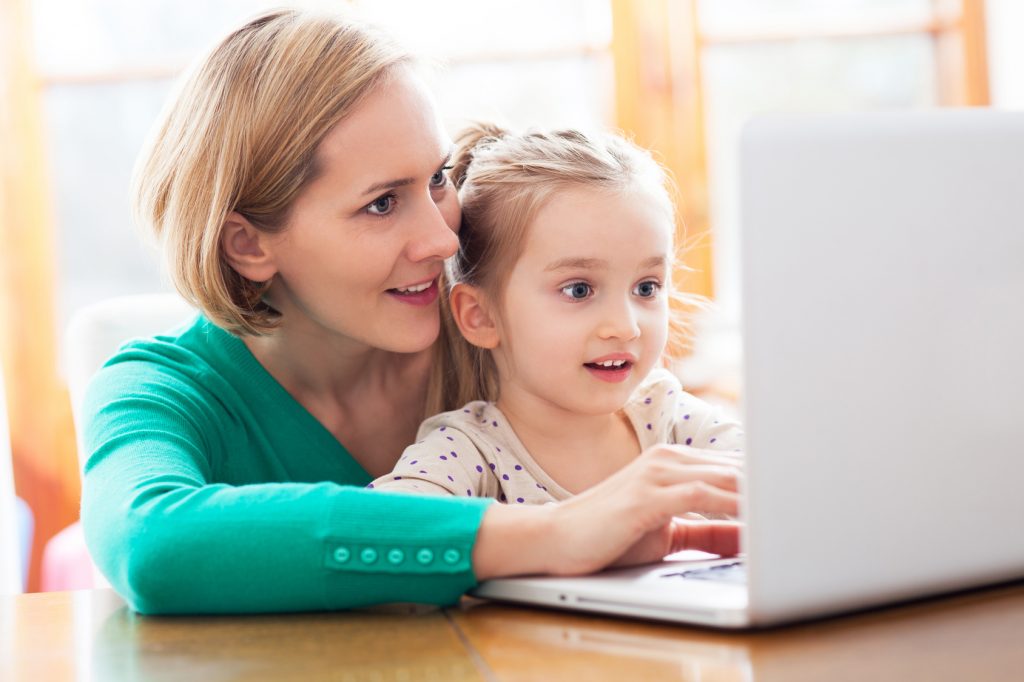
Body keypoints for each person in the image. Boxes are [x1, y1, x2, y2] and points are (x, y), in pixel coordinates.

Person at [80, 9, 742, 616]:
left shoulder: (504, 334)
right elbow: (152, 544)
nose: (443, 240)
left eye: (437, 179)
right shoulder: (159, 390)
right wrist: (552, 535)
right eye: (380, 204)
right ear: (249, 244)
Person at [370, 125, 743, 503]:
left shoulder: (670, 418)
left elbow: (785, 481)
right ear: (480, 316)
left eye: (646, 288)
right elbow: (380, 526)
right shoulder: (469, 451)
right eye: (578, 290)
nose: (625, 327)